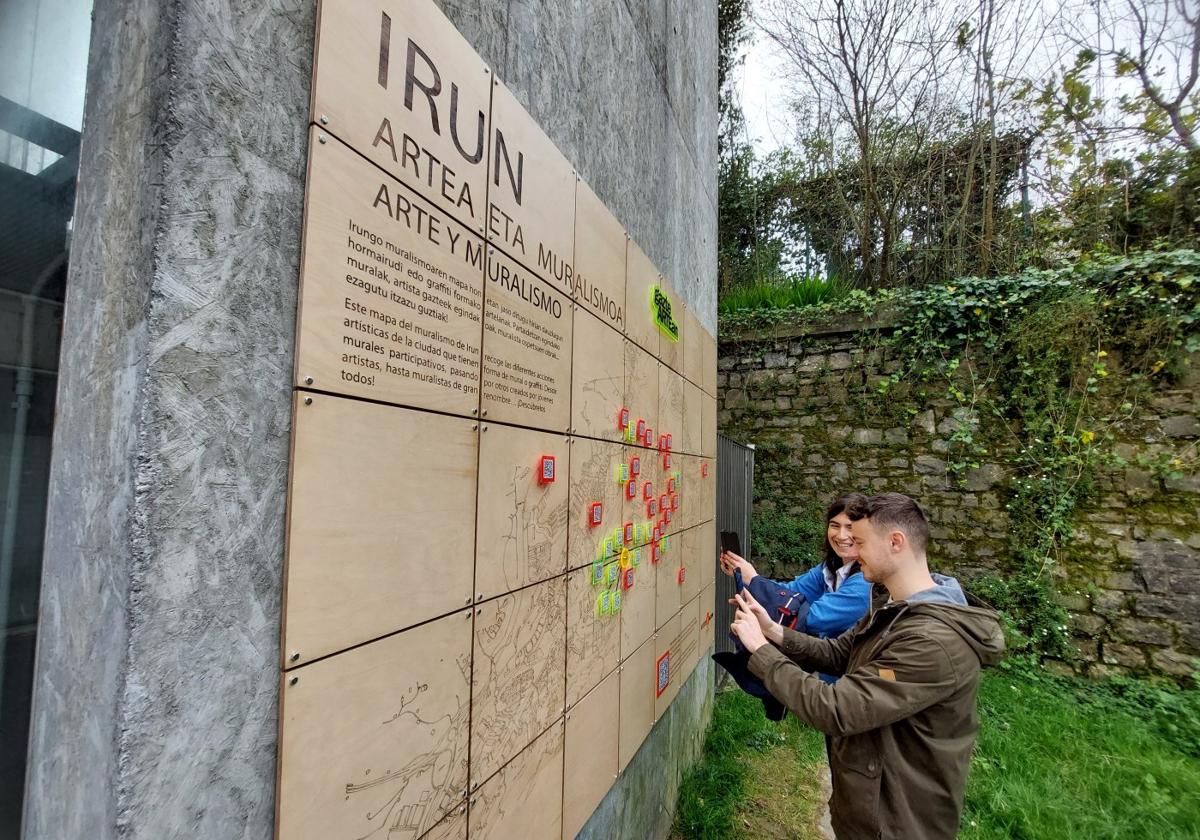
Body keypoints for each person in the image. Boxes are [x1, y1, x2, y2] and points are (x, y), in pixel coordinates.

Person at [729, 492, 1004, 840]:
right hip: (867, 807)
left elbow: (837, 709)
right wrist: (774, 631)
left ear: (895, 542)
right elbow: (836, 655)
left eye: (860, 542)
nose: (852, 552)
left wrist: (760, 651)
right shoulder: (892, 605)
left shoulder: (932, 642)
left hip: (895, 822)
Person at [719, 492, 872, 672]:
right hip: (825, 669)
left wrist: (754, 580)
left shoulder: (865, 581)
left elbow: (812, 618)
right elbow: (790, 591)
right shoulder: (830, 567)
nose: (841, 535)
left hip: (851, 675)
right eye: (834, 525)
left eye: (850, 527)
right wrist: (747, 581)